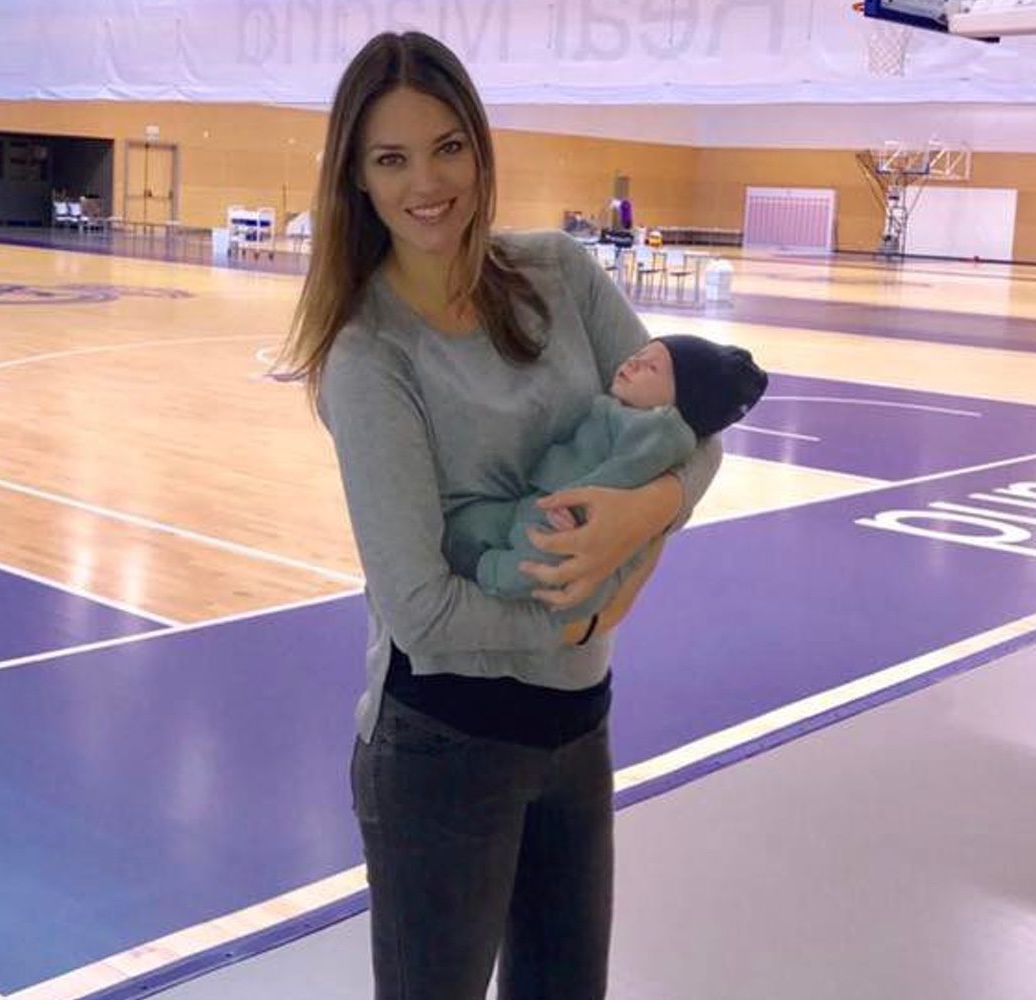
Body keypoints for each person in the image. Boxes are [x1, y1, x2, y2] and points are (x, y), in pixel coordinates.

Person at [276, 30, 724, 1000]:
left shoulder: (560, 276)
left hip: (578, 728)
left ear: (478, 147)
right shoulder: (369, 359)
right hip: (442, 748)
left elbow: (700, 428)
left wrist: (640, 520)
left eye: (446, 146)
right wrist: (579, 609)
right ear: (356, 179)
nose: (425, 182)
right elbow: (423, 609)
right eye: (390, 159)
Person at [447, 335, 766, 617]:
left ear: (679, 403)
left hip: (563, 514)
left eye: (651, 368)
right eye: (640, 353)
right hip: (540, 497)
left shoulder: (659, 432)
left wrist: (572, 508)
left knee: (535, 564)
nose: (634, 362)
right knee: (474, 524)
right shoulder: (623, 412)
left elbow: (617, 480)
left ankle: (488, 571)